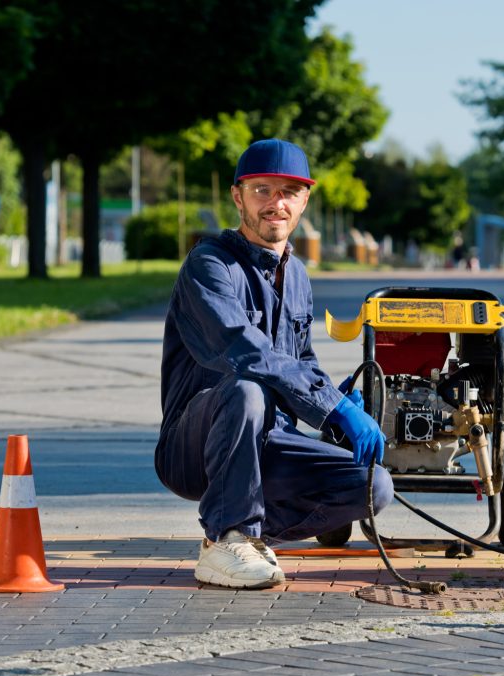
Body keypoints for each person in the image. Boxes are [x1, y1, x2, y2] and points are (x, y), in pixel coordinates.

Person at [154, 139, 393, 589]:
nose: (275, 203)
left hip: (270, 440)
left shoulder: (297, 274)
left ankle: (253, 536)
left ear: (306, 199)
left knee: (374, 486)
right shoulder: (209, 266)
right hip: (195, 444)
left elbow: (301, 359)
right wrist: (330, 407)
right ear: (237, 196)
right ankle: (227, 536)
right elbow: (246, 352)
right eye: (262, 190)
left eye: (288, 191)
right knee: (248, 388)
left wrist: (340, 400)